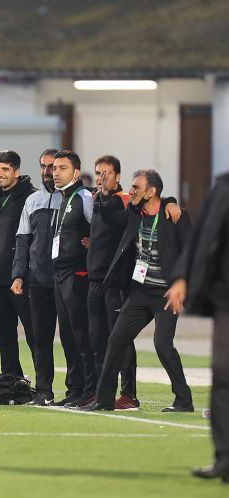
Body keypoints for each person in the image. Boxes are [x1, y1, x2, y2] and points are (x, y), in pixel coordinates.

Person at [82, 169, 193, 413]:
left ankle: (184, 400)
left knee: (162, 345)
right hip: (140, 292)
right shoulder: (133, 212)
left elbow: (190, 252)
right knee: (116, 339)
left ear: (151, 192)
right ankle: (104, 400)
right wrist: (103, 193)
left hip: (166, 294)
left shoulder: (175, 216)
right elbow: (110, 217)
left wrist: (182, 284)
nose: (131, 191)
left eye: (136, 187)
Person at [165, 174, 229, 482]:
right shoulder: (223, 187)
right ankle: (224, 458)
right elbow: (201, 238)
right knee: (224, 374)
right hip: (226, 299)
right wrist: (182, 277)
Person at [87, 155, 139, 410]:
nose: (101, 177)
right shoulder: (96, 199)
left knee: (120, 339)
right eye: (98, 173)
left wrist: (171, 201)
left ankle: (129, 394)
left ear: (118, 176)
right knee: (97, 340)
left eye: (106, 173)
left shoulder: (124, 200)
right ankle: (101, 392)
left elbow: (116, 220)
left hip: (115, 282)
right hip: (94, 280)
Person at [11, 149, 62, 406]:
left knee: (74, 338)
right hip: (38, 281)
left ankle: (80, 390)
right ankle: (44, 391)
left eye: (52, 166)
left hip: (66, 280)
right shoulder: (32, 201)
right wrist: (19, 275)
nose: (47, 171)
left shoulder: (78, 199)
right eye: (43, 166)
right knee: (39, 338)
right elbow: (22, 241)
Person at [49, 150, 96, 408]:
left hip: (78, 274)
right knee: (67, 336)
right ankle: (74, 390)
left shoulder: (84, 197)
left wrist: (93, 243)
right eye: (54, 168)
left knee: (81, 335)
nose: (55, 172)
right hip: (60, 274)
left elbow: (101, 228)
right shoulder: (63, 197)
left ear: (76, 172)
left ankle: (90, 390)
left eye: (62, 168)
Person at [0, 150, 36, 378]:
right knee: (5, 335)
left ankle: (43, 384)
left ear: (17, 172)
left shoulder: (31, 197)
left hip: (22, 278)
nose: (0, 174)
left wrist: (24, 272)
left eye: (5, 169)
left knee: (33, 334)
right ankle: (12, 380)